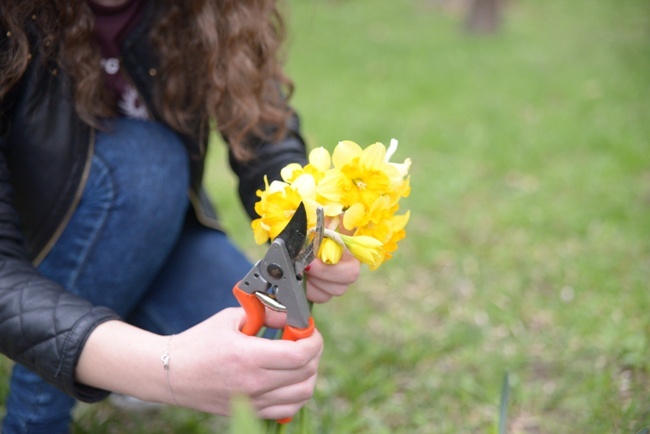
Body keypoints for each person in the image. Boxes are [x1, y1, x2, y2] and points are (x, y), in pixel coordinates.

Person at [0, 0, 361, 433]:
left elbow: (266, 138)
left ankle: (114, 344)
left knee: (263, 355)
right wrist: (166, 368)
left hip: (158, 225)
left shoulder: (216, 9)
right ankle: (37, 418)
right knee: (148, 164)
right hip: (31, 247)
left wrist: (306, 232)